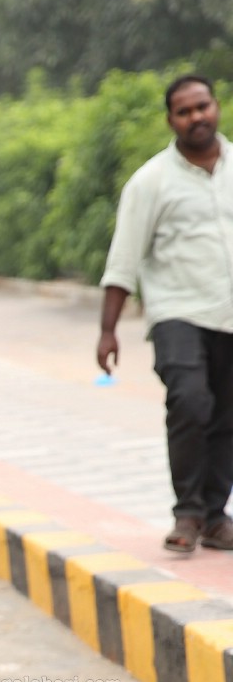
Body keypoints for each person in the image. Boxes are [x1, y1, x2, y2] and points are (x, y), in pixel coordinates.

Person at [98, 74, 233, 553]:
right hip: (177, 312)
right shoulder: (151, 181)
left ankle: (216, 516)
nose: (197, 117)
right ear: (171, 119)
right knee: (191, 402)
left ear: (216, 106)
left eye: (203, 106)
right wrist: (108, 330)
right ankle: (188, 513)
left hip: (229, 315)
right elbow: (124, 257)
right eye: (185, 111)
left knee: (225, 413)